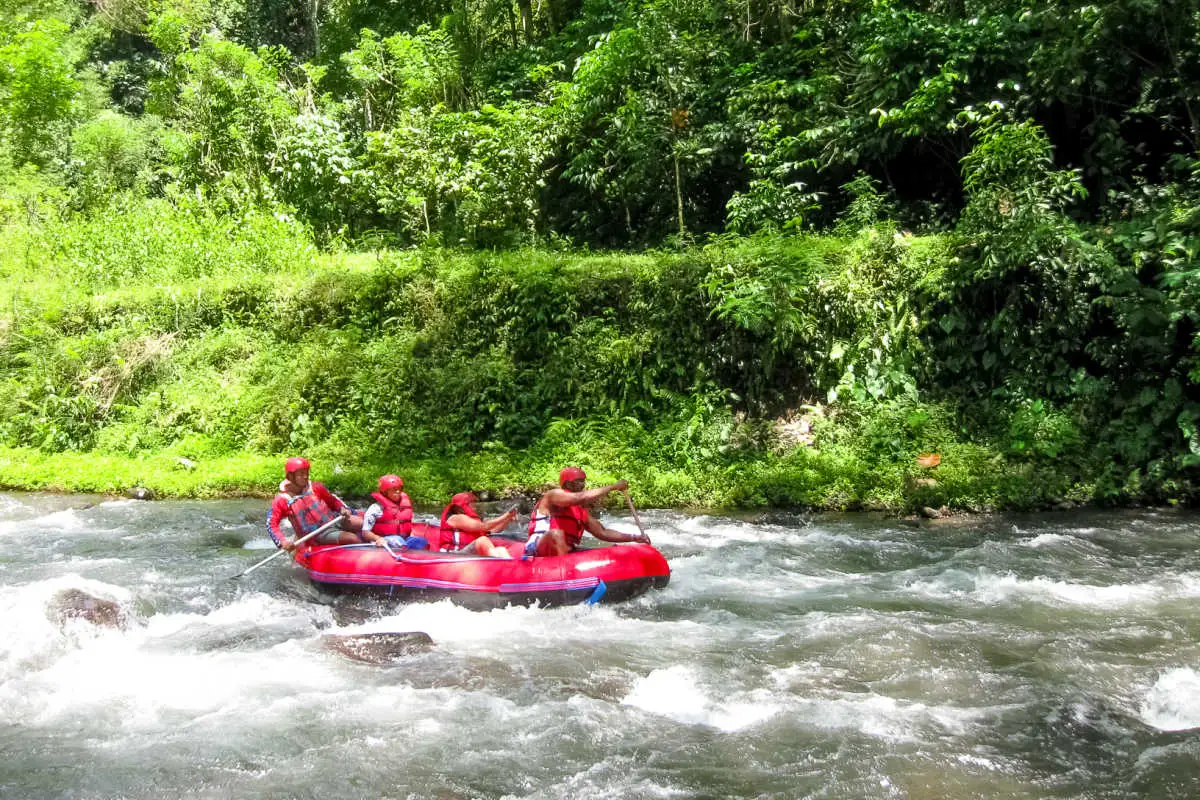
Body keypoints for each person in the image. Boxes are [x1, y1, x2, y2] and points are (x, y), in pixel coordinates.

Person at [525, 467, 651, 557]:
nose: (583, 484)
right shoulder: (553, 496)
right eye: (579, 481)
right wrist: (613, 487)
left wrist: (635, 537)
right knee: (556, 534)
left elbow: (603, 532)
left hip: (566, 551)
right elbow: (580, 497)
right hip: (539, 547)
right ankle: (562, 576)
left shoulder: (580, 510)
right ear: (568, 484)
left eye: (583, 481)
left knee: (613, 551)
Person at [267, 457, 364, 551]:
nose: (305, 476)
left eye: (306, 473)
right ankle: (363, 554)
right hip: (316, 534)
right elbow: (271, 524)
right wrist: (283, 542)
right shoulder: (282, 499)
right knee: (352, 538)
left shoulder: (315, 487)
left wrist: (343, 508)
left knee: (363, 523)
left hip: (334, 520)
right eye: (301, 474)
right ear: (291, 476)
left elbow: (333, 501)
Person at [437, 491, 518, 558]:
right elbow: (484, 526)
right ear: (462, 505)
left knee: (501, 550)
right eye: (472, 502)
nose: (475, 505)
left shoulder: (470, 518)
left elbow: (493, 530)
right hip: (453, 554)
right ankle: (504, 566)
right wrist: (506, 515)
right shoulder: (455, 518)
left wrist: (507, 519)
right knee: (482, 540)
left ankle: (509, 568)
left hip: (465, 552)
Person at [361, 474, 429, 550]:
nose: (398, 491)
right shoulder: (375, 508)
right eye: (394, 489)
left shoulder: (403, 506)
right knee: (397, 540)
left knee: (421, 542)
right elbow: (365, 533)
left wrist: (412, 535)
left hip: (404, 540)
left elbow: (407, 525)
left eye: (400, 489)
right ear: (385, 492)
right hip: (383, 540)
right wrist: (378, 538)